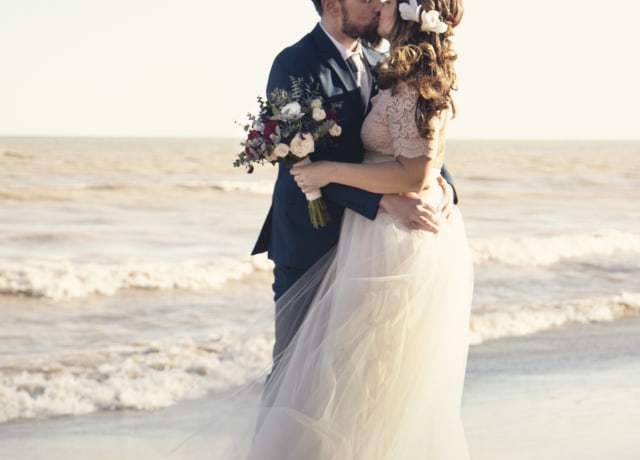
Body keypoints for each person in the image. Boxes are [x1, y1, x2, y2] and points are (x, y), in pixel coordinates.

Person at [246, 0, 473, 458]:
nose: (376, 3)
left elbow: (414, 138)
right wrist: (382, 199)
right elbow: (300, 165)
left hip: (369, 253)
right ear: (332, 4)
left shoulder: (380, 60)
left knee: (363, 379)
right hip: (311, 242)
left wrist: (444, 190)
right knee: (296, 374)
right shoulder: (295, 62)